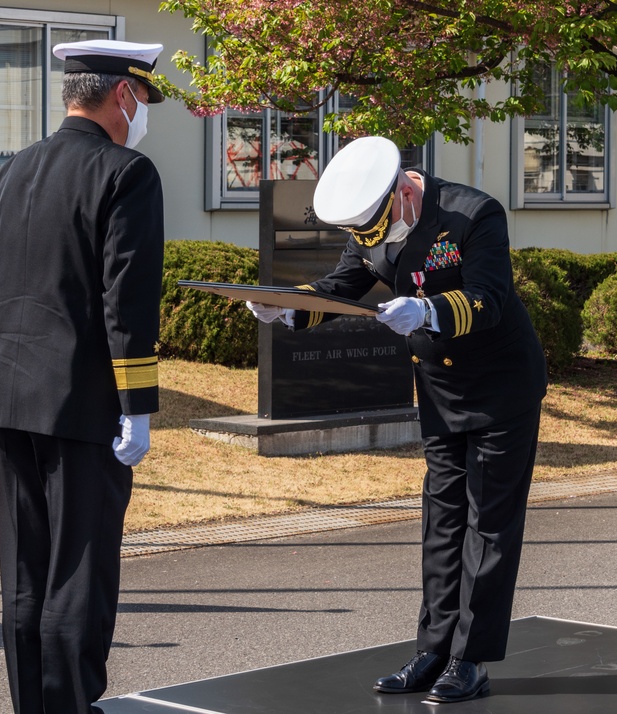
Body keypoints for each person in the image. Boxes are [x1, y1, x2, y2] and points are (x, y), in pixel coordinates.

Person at [248, 136, 547, 703]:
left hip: (501, 389)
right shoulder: (373, 226)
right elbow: (342, 286)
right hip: (439, 389)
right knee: (441, 520)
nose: (376, 243)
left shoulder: (472, 212)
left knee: (488, 526)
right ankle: (433, 650)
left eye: (382, 227)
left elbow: (490, 299)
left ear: (404, 192)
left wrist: (429, 308)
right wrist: (286, 304)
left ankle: (471, 658)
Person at [0, 39, 166, 714]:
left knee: (25, 579)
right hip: (85, 408)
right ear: (123, 95)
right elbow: (128, 298)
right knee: (80, 579)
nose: (144, 114)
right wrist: (137, 404)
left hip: (11, 399)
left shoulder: (16, 170)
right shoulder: (126, 173)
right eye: (145, 99)